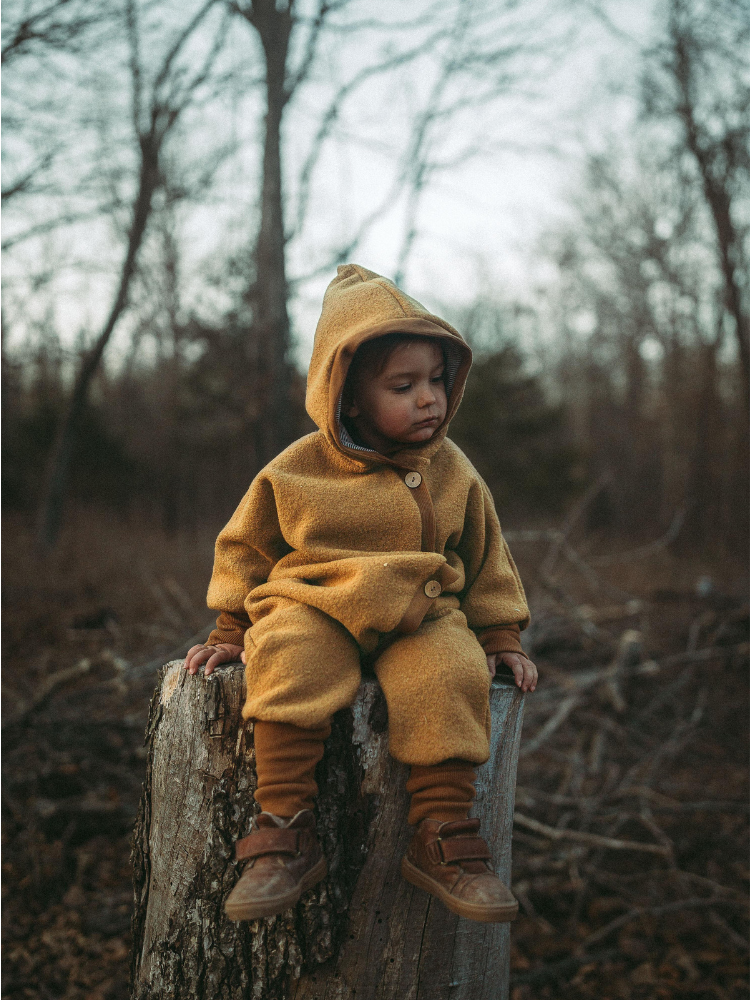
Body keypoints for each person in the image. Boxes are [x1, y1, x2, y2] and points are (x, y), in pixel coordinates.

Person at [184, 263, 538, 924]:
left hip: (424, 612)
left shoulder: (453, 468)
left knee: (450, 673)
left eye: (437, 380)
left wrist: (501, 636)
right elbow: (244, 546)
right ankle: (284, 834)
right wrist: (230, 628)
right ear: (347, 394)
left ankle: (443, 837)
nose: (428, 398)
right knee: (288, 658)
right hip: (314, 604)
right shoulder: (297, 468)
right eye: (403, 386)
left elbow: (487, 556)